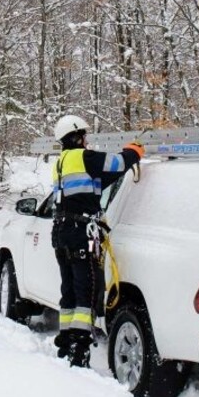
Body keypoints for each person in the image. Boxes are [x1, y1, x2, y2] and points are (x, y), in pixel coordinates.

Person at [49, 114, 144, 367]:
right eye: (84, 136)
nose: (86, 140)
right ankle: (79, 349)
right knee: (87, 291)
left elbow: (96, 182)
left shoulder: (60, 163)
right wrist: (134, 152)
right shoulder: (84, 157)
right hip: (81, 233)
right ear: (76, 137)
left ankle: (66, 343)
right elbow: (117, 162)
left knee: (69, 290)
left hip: (61, 233)